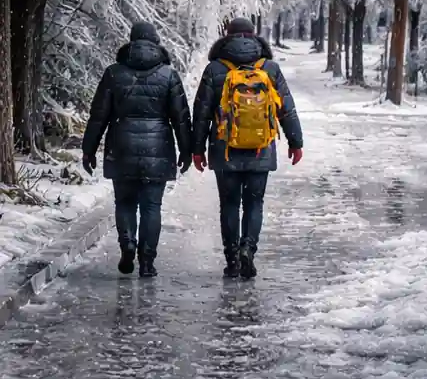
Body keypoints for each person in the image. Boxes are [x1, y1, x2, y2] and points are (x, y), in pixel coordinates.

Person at [191, 17, 303, 280]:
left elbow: (202, 113)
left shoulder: (216, 69)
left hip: (224, 148)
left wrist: (196, 149)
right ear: (253, 36)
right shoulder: (270, 68)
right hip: (260, 148)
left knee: (229, 204)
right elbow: (286, 108)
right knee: (254, 203)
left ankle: (231, 258)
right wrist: (295, 142)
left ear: (227, 37)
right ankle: (248, 249)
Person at [81, 22, 192, 278]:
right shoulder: (169, 75)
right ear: (156, 43)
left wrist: (89, 150)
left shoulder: (113, 73)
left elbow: (99, 116)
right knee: (152, 206)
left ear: (130, 42)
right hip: (158, 147)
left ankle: (128, 243)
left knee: (125, 202)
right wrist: (186, 151)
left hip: (121, 146)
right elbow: (181, 118)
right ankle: (147, 261)